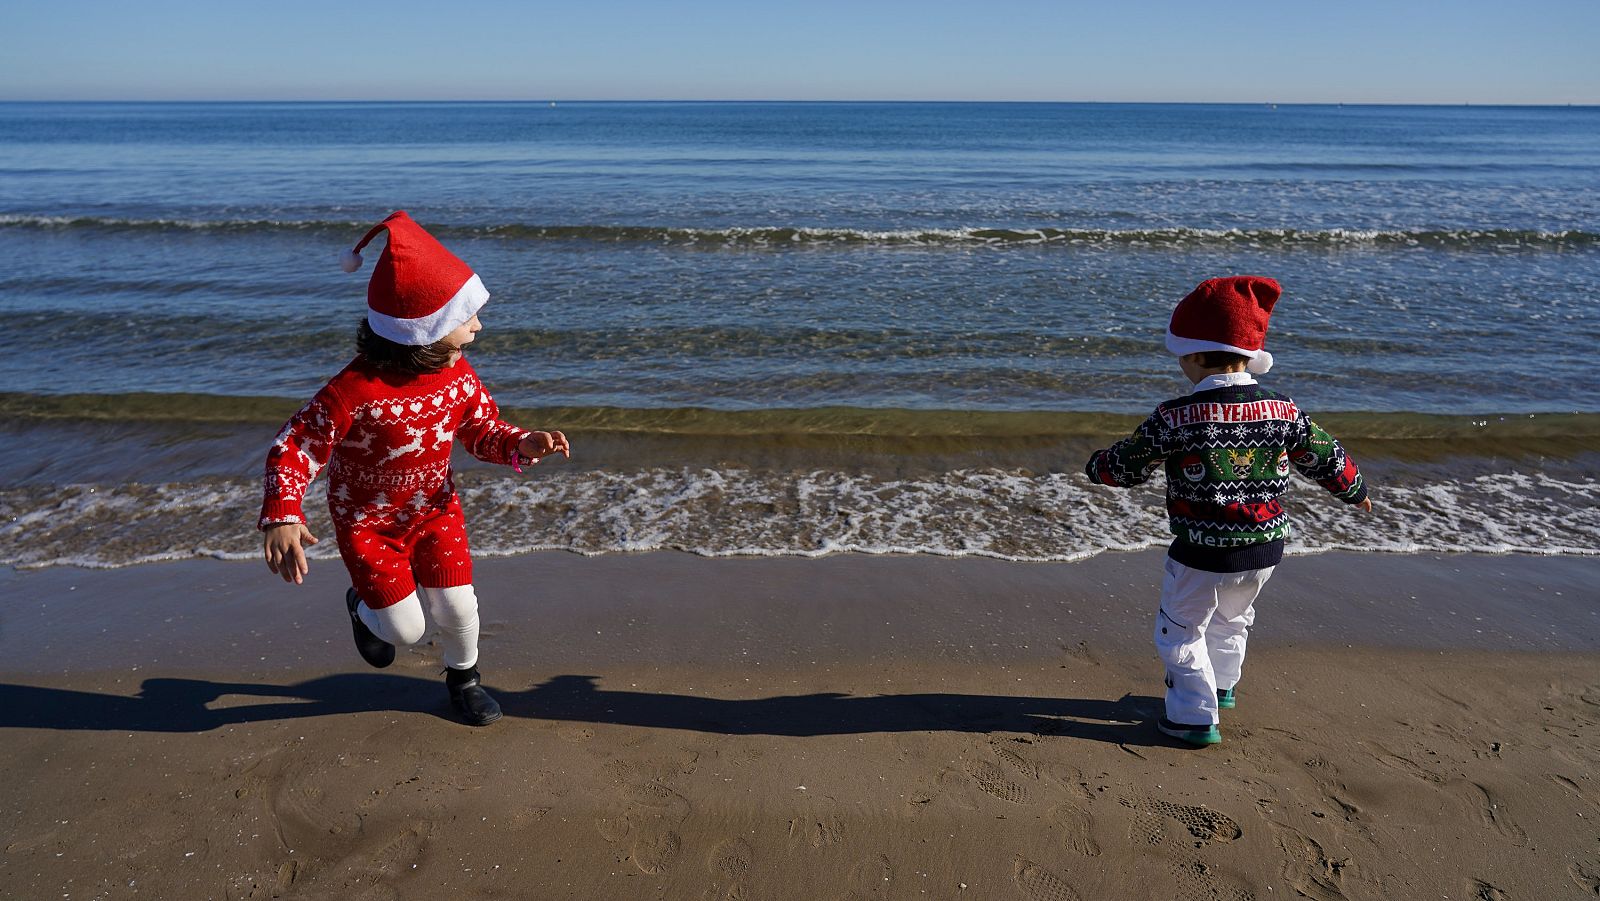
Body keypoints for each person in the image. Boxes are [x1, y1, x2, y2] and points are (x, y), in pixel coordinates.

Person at [259, 210, 569, 726]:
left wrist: (523, 443)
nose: (478, 326)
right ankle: (362, 606)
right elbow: (296, 445)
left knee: (458, 608)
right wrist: (282, 513)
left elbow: (481, 429)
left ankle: (464, 680)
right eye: (467, 317)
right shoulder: (354, 390)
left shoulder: (457, 375)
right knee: (403, 632)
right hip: (367, 523)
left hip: (434, 509)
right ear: (427, 330)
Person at [1084, 275, 1371, 746]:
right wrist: (1354, 490)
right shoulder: (1284, 411)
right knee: (1234, 617)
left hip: (1200, 550)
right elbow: (1323, 455)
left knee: (1179, 630)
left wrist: (1097, 468)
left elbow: (1128, 465)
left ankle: (1193, 717)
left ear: (1196, 356)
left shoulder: (1174, 417)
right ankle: (1222, 685)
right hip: (1265, 546)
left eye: (1181, 354)